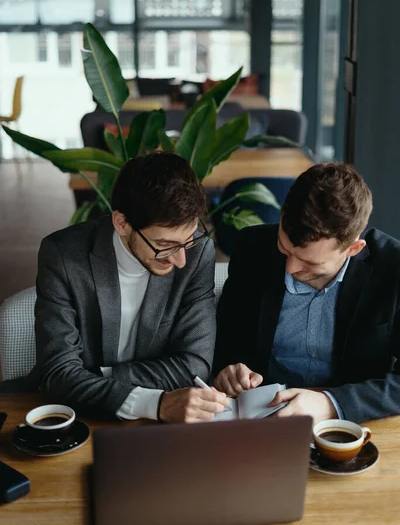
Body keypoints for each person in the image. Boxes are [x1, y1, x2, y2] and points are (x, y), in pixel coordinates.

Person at [33, 152, 229, 423]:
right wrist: (154, 403)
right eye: (164, 246)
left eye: (188, 239)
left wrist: (96, 377)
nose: (180, 260)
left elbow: (195, 365)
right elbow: (58, 374)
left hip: (161, 429)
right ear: (122, 224)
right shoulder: (63, 256)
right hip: (82, 421)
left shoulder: (197, 253)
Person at [213, 162, 400, 424]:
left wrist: (331, 403)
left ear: (353, 249)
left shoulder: (393, 268)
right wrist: (229, 371)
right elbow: (225, 344)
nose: (290, 268)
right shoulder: (253, 249)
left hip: (354, 425)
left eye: (310, 264)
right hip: (265, 418)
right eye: (285, 248)